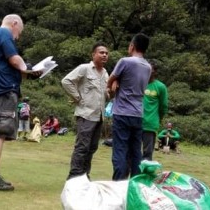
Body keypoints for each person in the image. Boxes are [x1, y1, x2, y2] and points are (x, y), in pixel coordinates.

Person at [0, 14, 40, 191]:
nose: (17, 37)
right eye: (19, 33)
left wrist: (26, 71)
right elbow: (14, 59)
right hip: (4, 90)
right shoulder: (3, 32)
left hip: (0, 88)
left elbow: (9, 64)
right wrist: (29, 69)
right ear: (14, 24)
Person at [107, 33, 151, 181]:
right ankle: (136, 184)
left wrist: (111, 86)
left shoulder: (125, 61)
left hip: (122, 112)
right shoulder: (148, 67)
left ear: (132, 46)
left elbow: (111, 79)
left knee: (120, 149)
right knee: (135, 152)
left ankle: (118, 184)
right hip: (138, 113)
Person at [62, 42, 109, 180]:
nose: (104, 55)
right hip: (86, 114)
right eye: (101, 52)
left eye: (106, 53)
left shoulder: (105, 73)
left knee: (92, 147)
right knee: (82, 147)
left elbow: (106, 94)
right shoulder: (85, 68)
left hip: (99, 116)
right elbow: (66, 81)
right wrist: (77, 97)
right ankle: (74, 177)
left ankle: (84, 176)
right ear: (93, 54)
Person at [142, 60, 168, 160]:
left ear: (155, 71)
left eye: (150, 69)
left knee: (147, 155)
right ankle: (133, 175)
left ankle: (145, 175)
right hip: (134, 122)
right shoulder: (138, 82)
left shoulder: (160, 87)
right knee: (132, 153)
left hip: (150, 124)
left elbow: (163, 107)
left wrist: (157, 119)